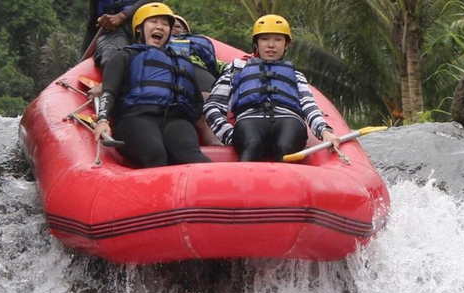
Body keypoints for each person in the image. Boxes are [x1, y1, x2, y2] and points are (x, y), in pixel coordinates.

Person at [203, 14, 340, 162]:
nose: (271, 45)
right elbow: (213, 106)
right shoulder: (237, 69)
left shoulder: (296, 75)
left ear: (287, 44)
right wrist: (229, 134)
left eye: (278, 39)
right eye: (265, 39)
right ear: (256, 43)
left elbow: (309, 106)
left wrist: (324, 131)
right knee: (252, 145)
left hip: (289, 120)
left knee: (285, 147)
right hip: (249, 120)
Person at [92, 2, 212, 168]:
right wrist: (103, 119)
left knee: (192, 156)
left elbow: (196, 102)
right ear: (140, 28)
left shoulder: (182, 62)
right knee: (155, 155)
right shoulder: (124, 56)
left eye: (165, 24)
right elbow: (109, 92)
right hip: (136, 117)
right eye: (153, 22)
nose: (160, 27)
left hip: (175, 119)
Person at [166, 14, 223, 145]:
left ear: (186, 31)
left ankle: (215, 136)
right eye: (170, 25)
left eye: (178, 26)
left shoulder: (196, 49)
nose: (173, 28)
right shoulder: (156, 45)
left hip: (198, 71)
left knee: (207, 98)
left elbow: (217, 65)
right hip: (173, 73)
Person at [82, 0, 157, 69]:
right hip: (113, 34)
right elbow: (92, 26)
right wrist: (82, 58)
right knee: (110, 58)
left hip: (143, 30)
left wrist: (122, 16)